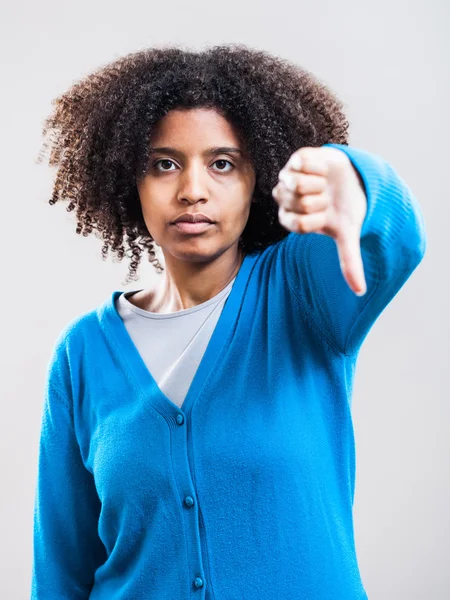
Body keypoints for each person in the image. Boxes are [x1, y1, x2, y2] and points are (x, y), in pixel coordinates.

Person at [31, 43, 427, 599]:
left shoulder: (299, 293)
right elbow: (60, 568)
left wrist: (353, 177)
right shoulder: (82, 353)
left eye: (223, 163)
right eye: (164, 164)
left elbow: (399, 240)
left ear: (255, 179)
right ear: (130, 181)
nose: (193, 189)